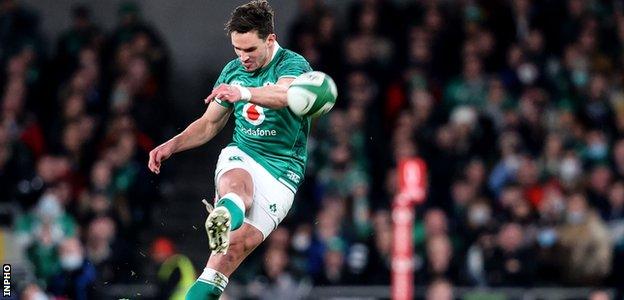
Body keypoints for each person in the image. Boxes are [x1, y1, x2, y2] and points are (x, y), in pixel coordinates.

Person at [147, 1, 312, 299]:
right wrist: (172, 145)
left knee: (226, 259)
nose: (243, 57)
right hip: (243, 154)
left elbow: (284, 95)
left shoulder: (292, 64)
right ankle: (224, 212)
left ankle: (224, 222)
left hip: (283, 173)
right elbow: (210, 124)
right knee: (238, 187)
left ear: (270, 39)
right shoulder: (232, 71)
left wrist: (243, 92)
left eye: (250, 49)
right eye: (237, 49)